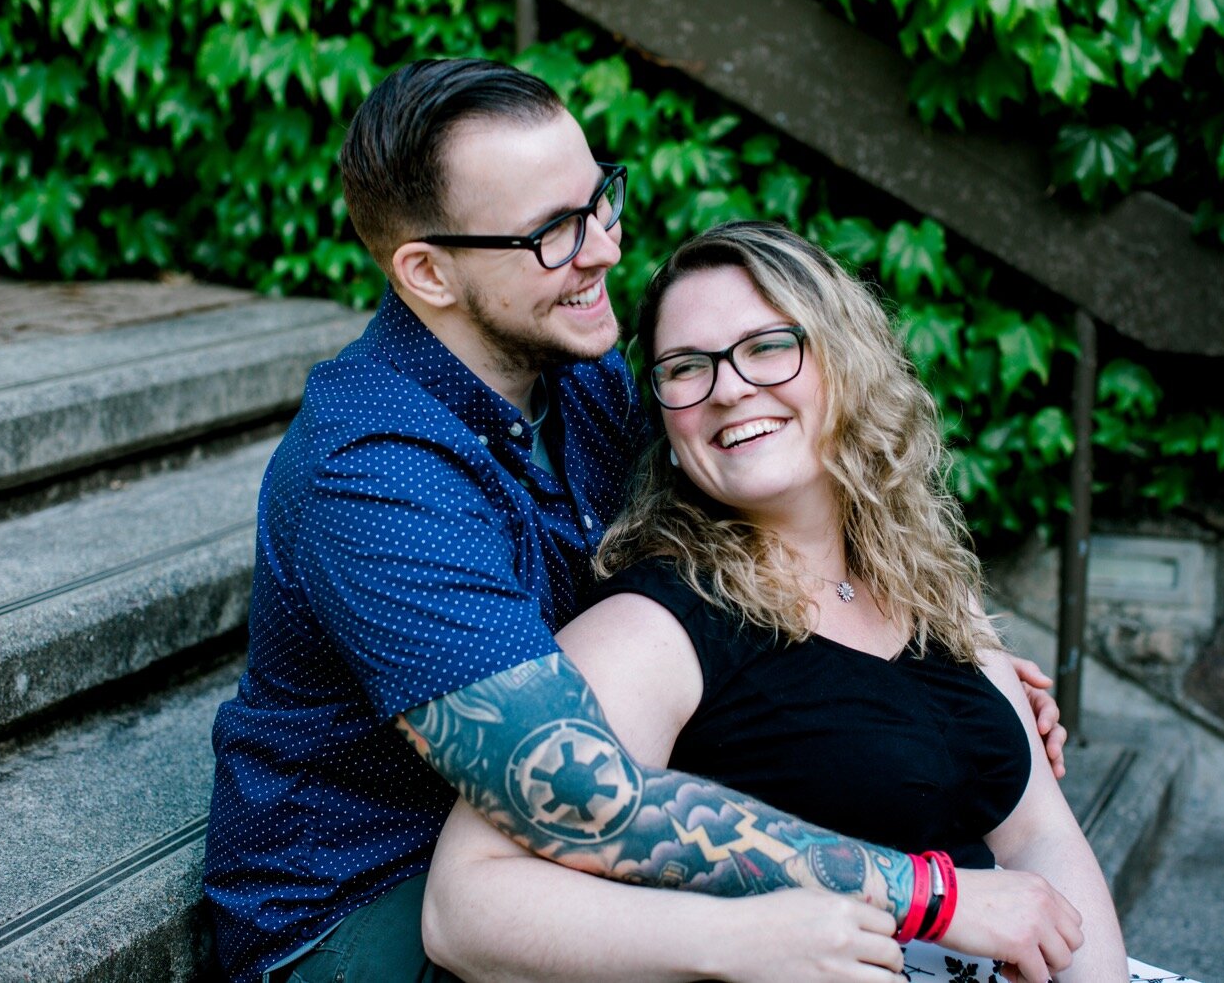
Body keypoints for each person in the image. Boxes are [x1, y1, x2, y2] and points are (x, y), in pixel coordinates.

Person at [203, 59, 1070, 983]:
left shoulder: (579, 378)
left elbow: (739, 564)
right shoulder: (370, 474)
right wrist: (927, 891)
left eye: (599, 201)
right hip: (371, 900)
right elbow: (570, 792)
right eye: (552, 233)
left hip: (555, 837)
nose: (605, 249)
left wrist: (923, 681)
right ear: (426, 270)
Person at [422, 222, 1134, 983]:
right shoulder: (656, 626)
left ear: (846, 359)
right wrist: (732, 934)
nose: (729, 388)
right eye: (687, 367)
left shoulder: (925, 579)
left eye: (767, 346)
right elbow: (464, 909)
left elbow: (1039, 838)